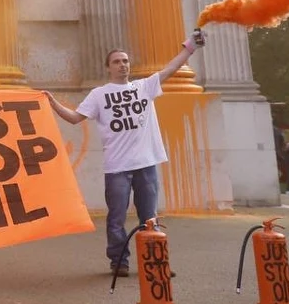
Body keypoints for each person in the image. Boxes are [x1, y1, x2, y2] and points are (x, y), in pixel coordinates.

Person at [43, 29, 205, 277]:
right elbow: (75, 118)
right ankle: (119, 262)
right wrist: (53, 103)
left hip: (146, 164)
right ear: (108, 67)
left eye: (125, 61)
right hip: (117, 167)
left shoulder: (145, 86)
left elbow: (171, 68)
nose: (122, 65)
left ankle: (155, 260)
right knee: (116, 219)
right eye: (117, 62)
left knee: (149, 218)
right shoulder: (99, 94)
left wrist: (190, 47)